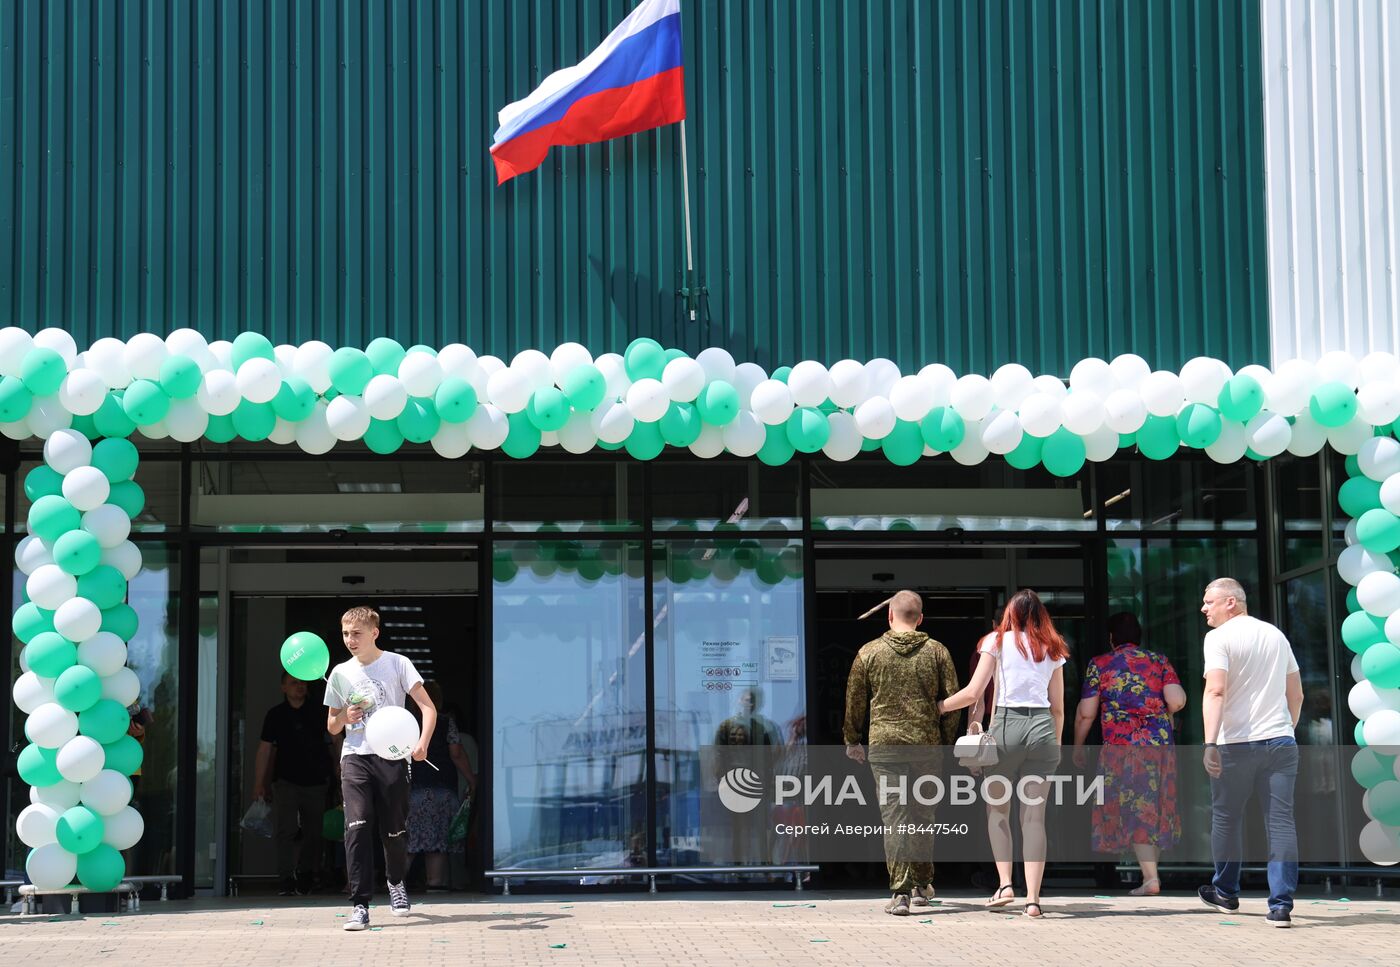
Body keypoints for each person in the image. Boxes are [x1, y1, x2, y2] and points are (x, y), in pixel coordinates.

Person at [938, 589, 1068, 920]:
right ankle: (1034, 901)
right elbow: (1059, 709)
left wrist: (936, 707)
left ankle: (1006, 884)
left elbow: (972, 693)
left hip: (1007, 727)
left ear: (1010, 613)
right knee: (1034, 818)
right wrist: (1056, 745)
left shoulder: (995, 642)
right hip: (1042, 730)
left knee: (998, 811)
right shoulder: (1052, 647)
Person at [843, 590, 961, 916]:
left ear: (890, 616)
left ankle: (901, 893)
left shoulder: (868, 653)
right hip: (926, 747)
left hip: (885, 748)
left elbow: (855, 702)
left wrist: (852, 739)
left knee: (894, 819)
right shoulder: (937, 652)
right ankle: (923, 883)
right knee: (923, 816)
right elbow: (953, 703)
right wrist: (946, 742)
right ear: (920, 618)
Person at [1196, 578, 1303, 928]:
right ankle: (1281, 906)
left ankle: (1226, 892)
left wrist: (1210, 742)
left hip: (1235, 744)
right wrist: (1287, 728)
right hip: (1281, 741)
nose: (1204, 608)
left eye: (1209, 602)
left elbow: (1215, 690)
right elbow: (1296, 694)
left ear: (1231, 602)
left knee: (1226, 817)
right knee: (1281, 822)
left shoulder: (1218, 638)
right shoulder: (1275, 635)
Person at [325, 605, 437, 932]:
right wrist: (345, 717)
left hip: (392, 757)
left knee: (394, 830)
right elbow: (332, 725)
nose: (350, 640)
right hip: (356, 756)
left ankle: (396, 882)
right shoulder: (340, 673)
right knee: (356, 827)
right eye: (345, 634)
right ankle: (360, 904)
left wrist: (422, 743)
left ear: (374, 632)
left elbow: (428, 707)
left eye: (356, 633)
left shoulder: (398, 664)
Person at [1072, 612, 1186, 895]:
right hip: (1159, 746)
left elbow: (1086, 713)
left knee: (1137, 808)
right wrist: (1158, 711)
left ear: (1112, 638)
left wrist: (1077, 745)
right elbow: (1177, 700)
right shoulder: (1159, 661)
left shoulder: (1101, 664)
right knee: (1154, 805)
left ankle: (1150, 879)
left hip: (1122, 747)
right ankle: (1151, 875)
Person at [253, 672, 336, 895]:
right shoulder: (275, 715)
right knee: (286, 830)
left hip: (316, 781)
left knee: (314, 832)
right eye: (293, 683)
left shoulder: (319, 712)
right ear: (283, 687)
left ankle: (307, 874)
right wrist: (259, 783)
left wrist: (340, 769)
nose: (299, 687)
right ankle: (286, 878)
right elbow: (265, 749)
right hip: (285, 781)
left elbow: (334, 741)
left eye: (302, 683)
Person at [406, 681, 475, 892]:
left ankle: (394, 884)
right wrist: (472, 779)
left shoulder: (406, 723)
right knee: (437, 842)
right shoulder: (446, 722)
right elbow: (456, 753)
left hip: (413, 791)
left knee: (407, 842)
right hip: (443, 791)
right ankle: (435, 885)